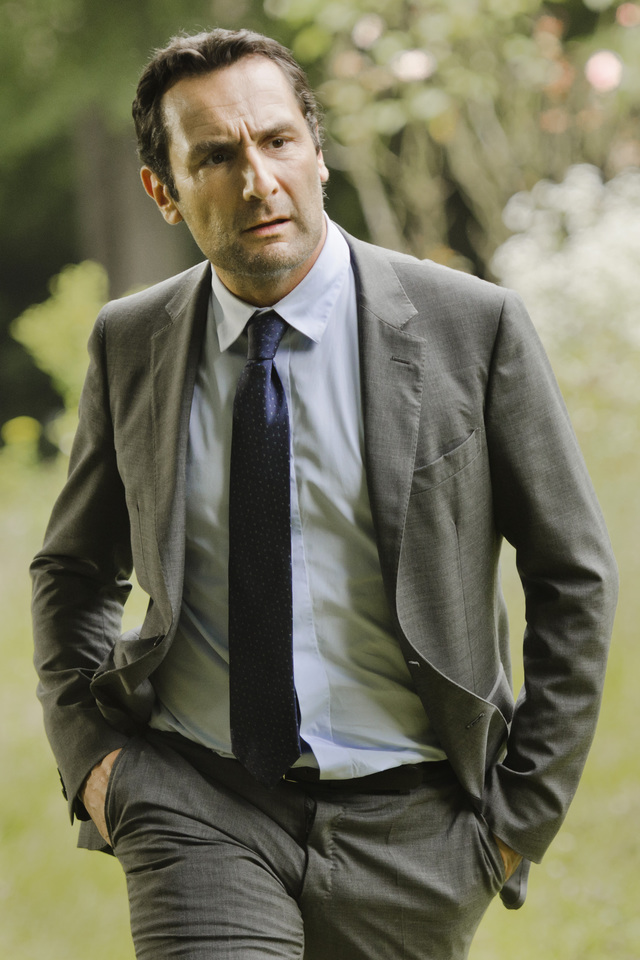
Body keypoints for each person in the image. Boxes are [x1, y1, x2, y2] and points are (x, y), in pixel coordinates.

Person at [31, 27, 618, 960]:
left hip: (417, 831)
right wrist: (93, 760)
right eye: (215, 157)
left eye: (277, 141)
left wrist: (516, 823)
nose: (257, 181)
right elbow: (73, 568)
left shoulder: (474, 328)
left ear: (318, 151)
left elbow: (573, 574)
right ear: (163, 191)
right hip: (200, 801)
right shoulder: (131, 341)